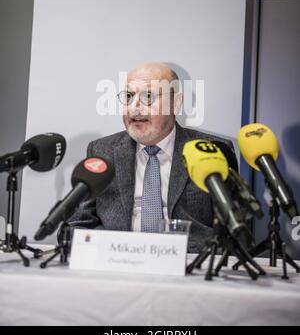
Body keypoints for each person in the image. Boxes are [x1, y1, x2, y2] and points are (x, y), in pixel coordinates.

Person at [66, 62, 237, 251]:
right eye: (129, 96)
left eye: (149, 96)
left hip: (189, 265)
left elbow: (233, 233)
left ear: (176, 103)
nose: (134, 108)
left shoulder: (211, 151)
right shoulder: (102, 151)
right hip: (117, 263)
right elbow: (78, 225)